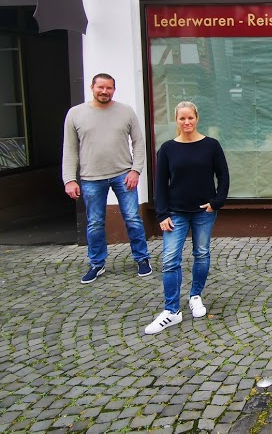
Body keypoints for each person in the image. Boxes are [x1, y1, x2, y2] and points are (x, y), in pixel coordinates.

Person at [145, 101, 230, 334]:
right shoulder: (167, 149)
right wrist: (162, 213)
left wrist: (217, 202)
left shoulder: (211, 146)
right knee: (170, 259)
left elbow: (223, 176)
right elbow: (160, 184)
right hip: (175, 212)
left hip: (204, 212)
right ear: (177, 120)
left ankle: (195, 295)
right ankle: (171, 310)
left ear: (197, 118)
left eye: (190, 118)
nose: (186, 122)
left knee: (201, 253)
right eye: (182, 119)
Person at [62, 73, 153, 284]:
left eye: (109, 88)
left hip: (124, 175)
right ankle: (96, 263)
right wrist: (69, 179)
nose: (105, 91)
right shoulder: (75, 114)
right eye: (101, 87)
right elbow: (69, 149)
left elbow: (139, 143)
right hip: (91, 178)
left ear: (114, 89)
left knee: (132, 218)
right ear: (92, 87)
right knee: (95, 222)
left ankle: (142, 258)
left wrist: (136, 170)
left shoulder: (126, 111)